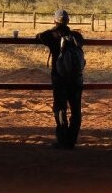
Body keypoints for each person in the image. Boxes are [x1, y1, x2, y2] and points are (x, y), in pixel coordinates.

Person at [36, 9, 85, 150]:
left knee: (60, 108)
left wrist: (54, 29)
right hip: (77, 78)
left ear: (54, 21)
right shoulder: (77, 36)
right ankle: (72, 140)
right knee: (76, 109)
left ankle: (63, 140)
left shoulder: (51, 36)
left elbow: (39, 36)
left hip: (60, 77)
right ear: (69, 21)